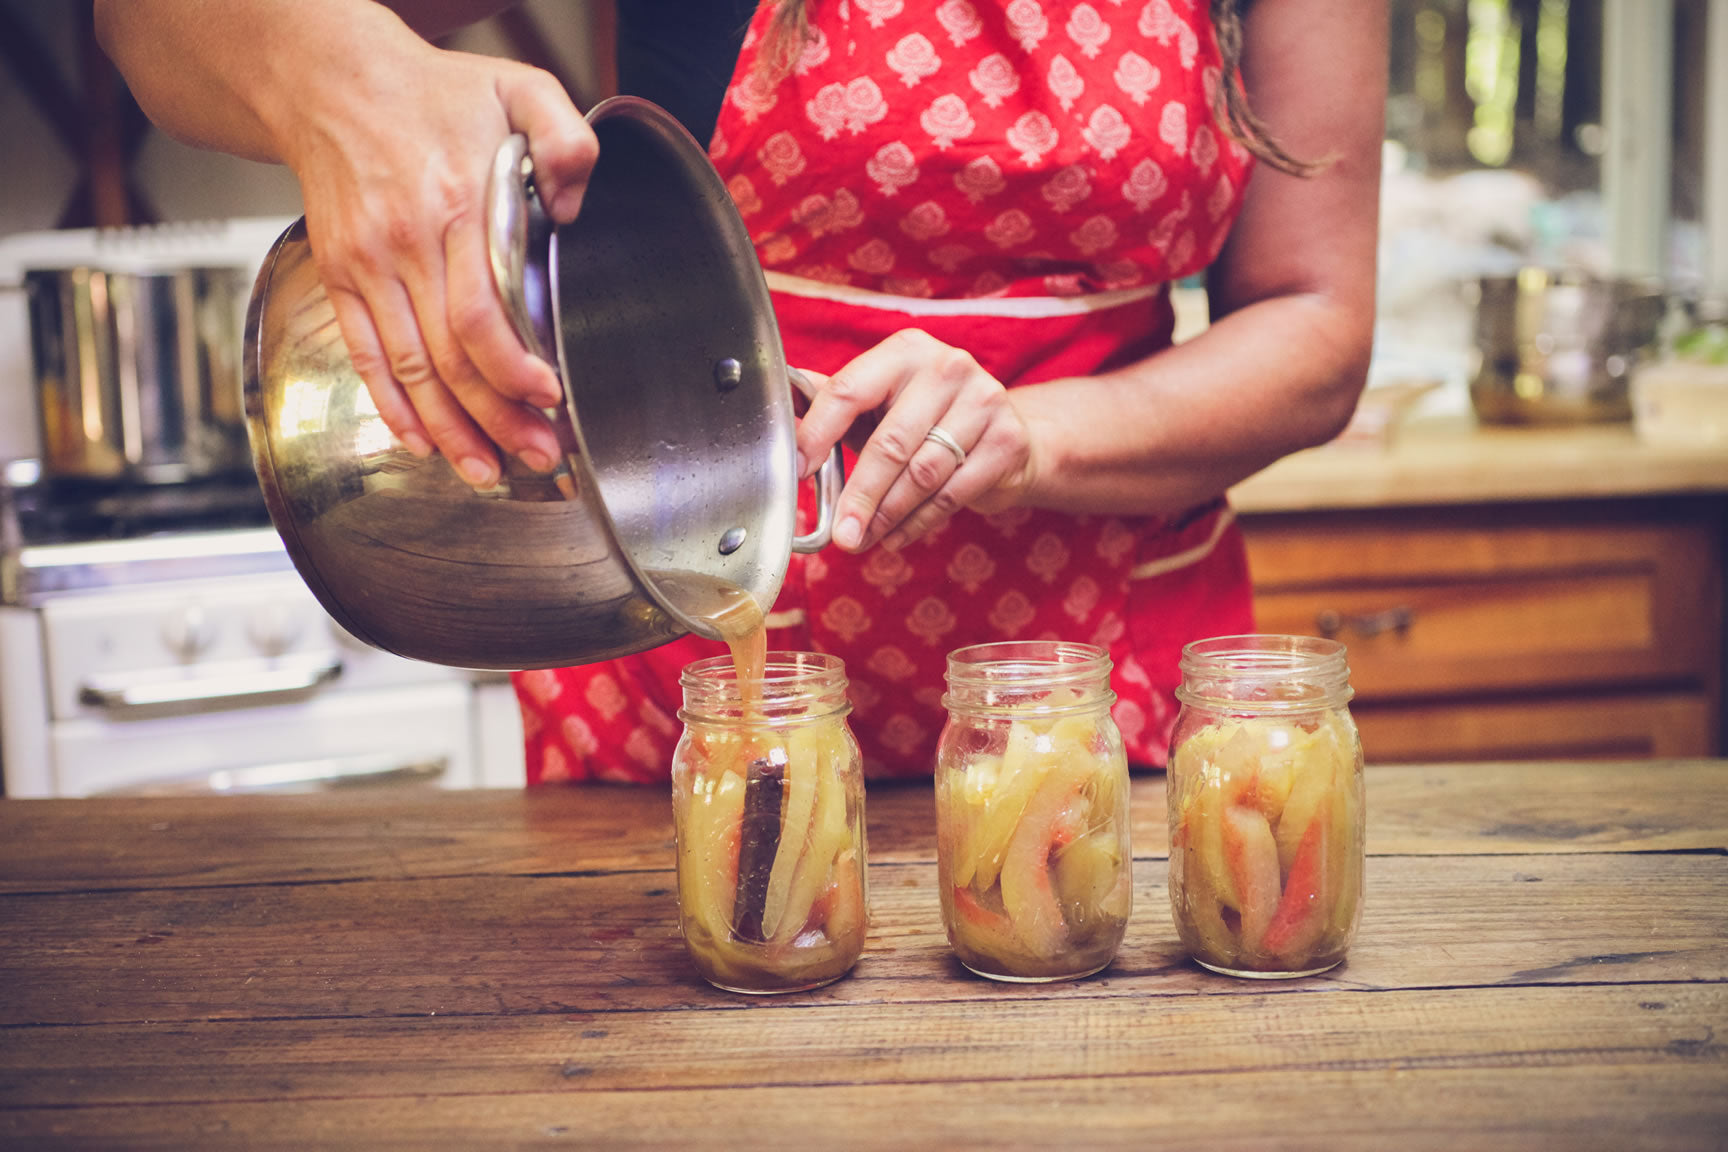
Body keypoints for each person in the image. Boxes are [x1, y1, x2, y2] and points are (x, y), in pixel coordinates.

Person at [96, 0, 1385, 783]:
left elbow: (1315, 328)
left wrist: (1025, 431)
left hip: (1096, 714)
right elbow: (146, 27)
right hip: (675, 691)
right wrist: (344, 81)